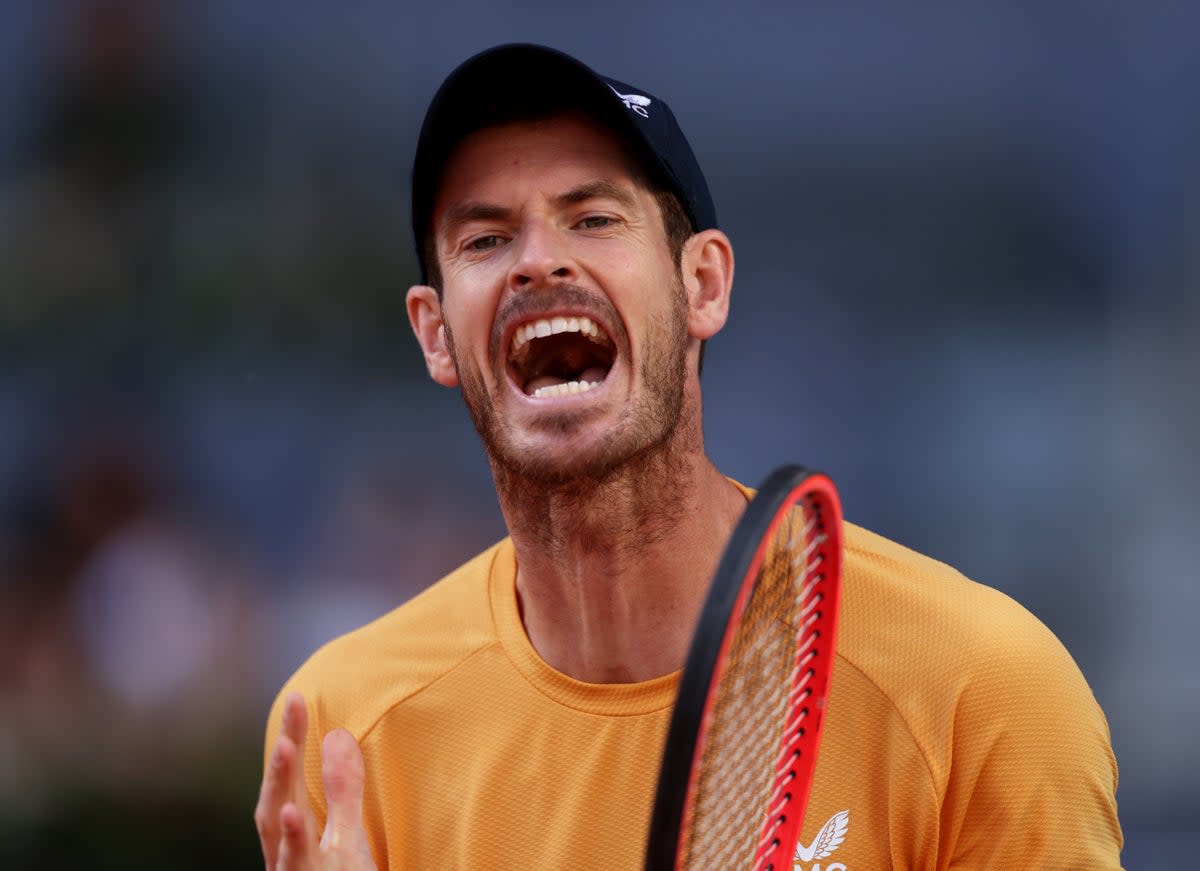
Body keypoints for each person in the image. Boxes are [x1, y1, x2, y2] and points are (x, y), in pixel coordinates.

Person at [254, 44, 1124, 870]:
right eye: (485, 240)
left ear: (702, 285)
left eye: (594, 218)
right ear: (436, 334)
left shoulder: (981, 689)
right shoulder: (344, 733)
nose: (538, 261)